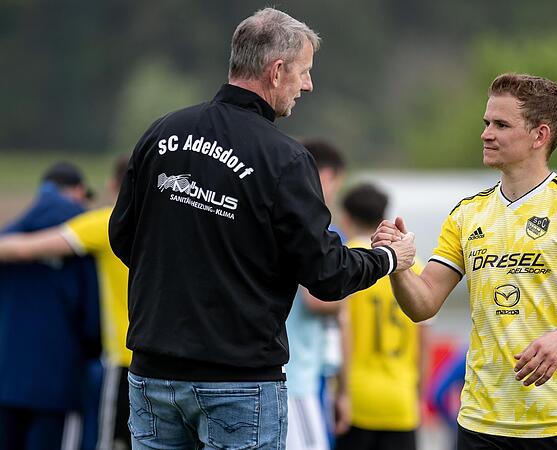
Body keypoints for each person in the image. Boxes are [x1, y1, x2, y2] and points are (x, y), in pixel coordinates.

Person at [107, 7, 415, 450]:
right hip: (238, 381)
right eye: (304, 73)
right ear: (276, 71)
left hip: (153, 374)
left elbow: (124, 237)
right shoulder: (284, 159)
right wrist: (388, 258)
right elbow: (326, 274)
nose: (308, 84)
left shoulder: (162, 134)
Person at [372, 73, 557, 449]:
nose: (486, 133)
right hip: (482, 425)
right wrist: (397, 264)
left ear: (539, 136)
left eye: (501, 125)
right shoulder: (466, 214)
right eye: (486, 123)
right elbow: (424, 303)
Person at [0, 155, 134, 450]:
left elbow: (22, 250)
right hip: (171, 361)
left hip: (121, 361)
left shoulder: (103, 226)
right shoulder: (172, 225)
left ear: (113, 185)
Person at [335, 183, 428, 450]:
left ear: (346, 218)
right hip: (401, 400)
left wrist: (342, 393)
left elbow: (344, 332)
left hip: (357, 399)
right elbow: (424, 340)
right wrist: (419, 397)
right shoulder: (413, 264)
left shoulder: (347, 261)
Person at [284, 139, 348, 450]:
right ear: (325, 176)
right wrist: (348, 296)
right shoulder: (310, 229)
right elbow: (317, 298)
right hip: (294, 375)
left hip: (301, 370)